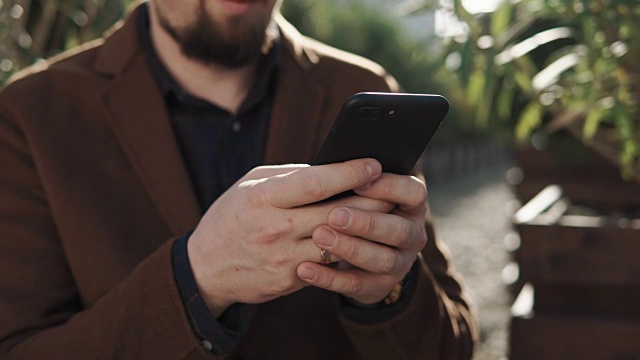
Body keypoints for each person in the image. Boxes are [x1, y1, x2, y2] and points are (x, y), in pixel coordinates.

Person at [0, 0, 477, 358]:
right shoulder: (32, 113)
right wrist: (197, 278)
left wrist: (389, 294)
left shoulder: (357, 87)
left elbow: (453, 346)